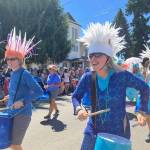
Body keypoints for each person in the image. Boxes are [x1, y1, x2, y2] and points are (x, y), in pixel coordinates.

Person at [72, 22, 149, 150]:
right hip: (93, 130)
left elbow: (145, 88)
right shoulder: (88, 77)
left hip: (118, 132)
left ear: (108, 58)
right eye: (91, 55)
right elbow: (75, 97)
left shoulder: (122, 75)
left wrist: (141, 111)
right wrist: (79, 109)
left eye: (98, 55)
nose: (93, 59)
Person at [5, 28, 43, 150]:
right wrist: (9, 97)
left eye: (13, 59)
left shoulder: (24, 73)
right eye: (8, 59)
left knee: (15, 144)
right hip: (11, 112)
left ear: (20, 59)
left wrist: (22, 101)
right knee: (12, 144)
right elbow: (17, 90)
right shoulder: (13, 73)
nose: (9, 61)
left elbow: (39, 91)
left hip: (23, 114)